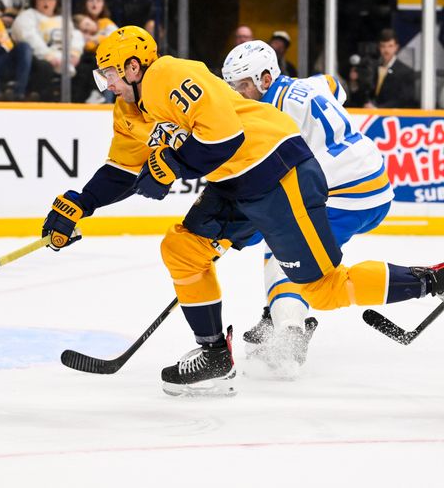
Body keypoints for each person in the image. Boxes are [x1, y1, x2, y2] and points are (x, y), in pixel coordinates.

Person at [43, 26, 444, 397]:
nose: (106, 84)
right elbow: (121, 171)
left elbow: (224, 135)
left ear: (134, 67)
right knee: (183, 249)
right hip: (237, 181)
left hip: (276, 166)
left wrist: (173, 165)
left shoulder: (166, 74)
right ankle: (215, 356)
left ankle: (431, 281)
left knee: (322, 290)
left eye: (109, 74)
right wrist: (80, 204)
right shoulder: (129, 111)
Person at [221, 40, 395, 374]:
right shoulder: (305, 85)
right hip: (371, 181)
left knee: (287, 254)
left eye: (243, 85)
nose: (238, 93)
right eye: (234, 86)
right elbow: (335, 85)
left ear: (265, 78)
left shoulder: (269, 116)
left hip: (346, 194)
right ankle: (276, 316)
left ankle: (289, 335)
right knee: (283, 246)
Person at [11, 0, 84, 101]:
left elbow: (75, 35)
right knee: (45, 67)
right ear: (36, 0)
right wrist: (48, 55)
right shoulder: (27, 16)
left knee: (87, 67)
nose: (46, 1)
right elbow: (28, 37)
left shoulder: (63, 19)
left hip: (64, 58)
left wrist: (74, 53)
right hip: (38, 57)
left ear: (56, 2)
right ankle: (37, 98)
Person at [74, 0, 118, 103]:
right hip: (81, 60)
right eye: (91, 0)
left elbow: (115, 40)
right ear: (85, 3)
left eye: (98, 0)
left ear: (103, 4)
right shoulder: (77, 21)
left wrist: (93, 39)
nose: (94, 3)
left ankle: (102, 99)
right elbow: (83, 45)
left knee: (106, 64)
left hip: (100, 61)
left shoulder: (106, 23)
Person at [366, 29, 417, 109]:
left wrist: (379, 109)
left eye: (390, 46)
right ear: (379, 47)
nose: (386, 50)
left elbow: (405, 99)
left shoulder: (406, 72)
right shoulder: (375, 68)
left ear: (396, 47)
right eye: (383, 46)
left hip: (395, 117)